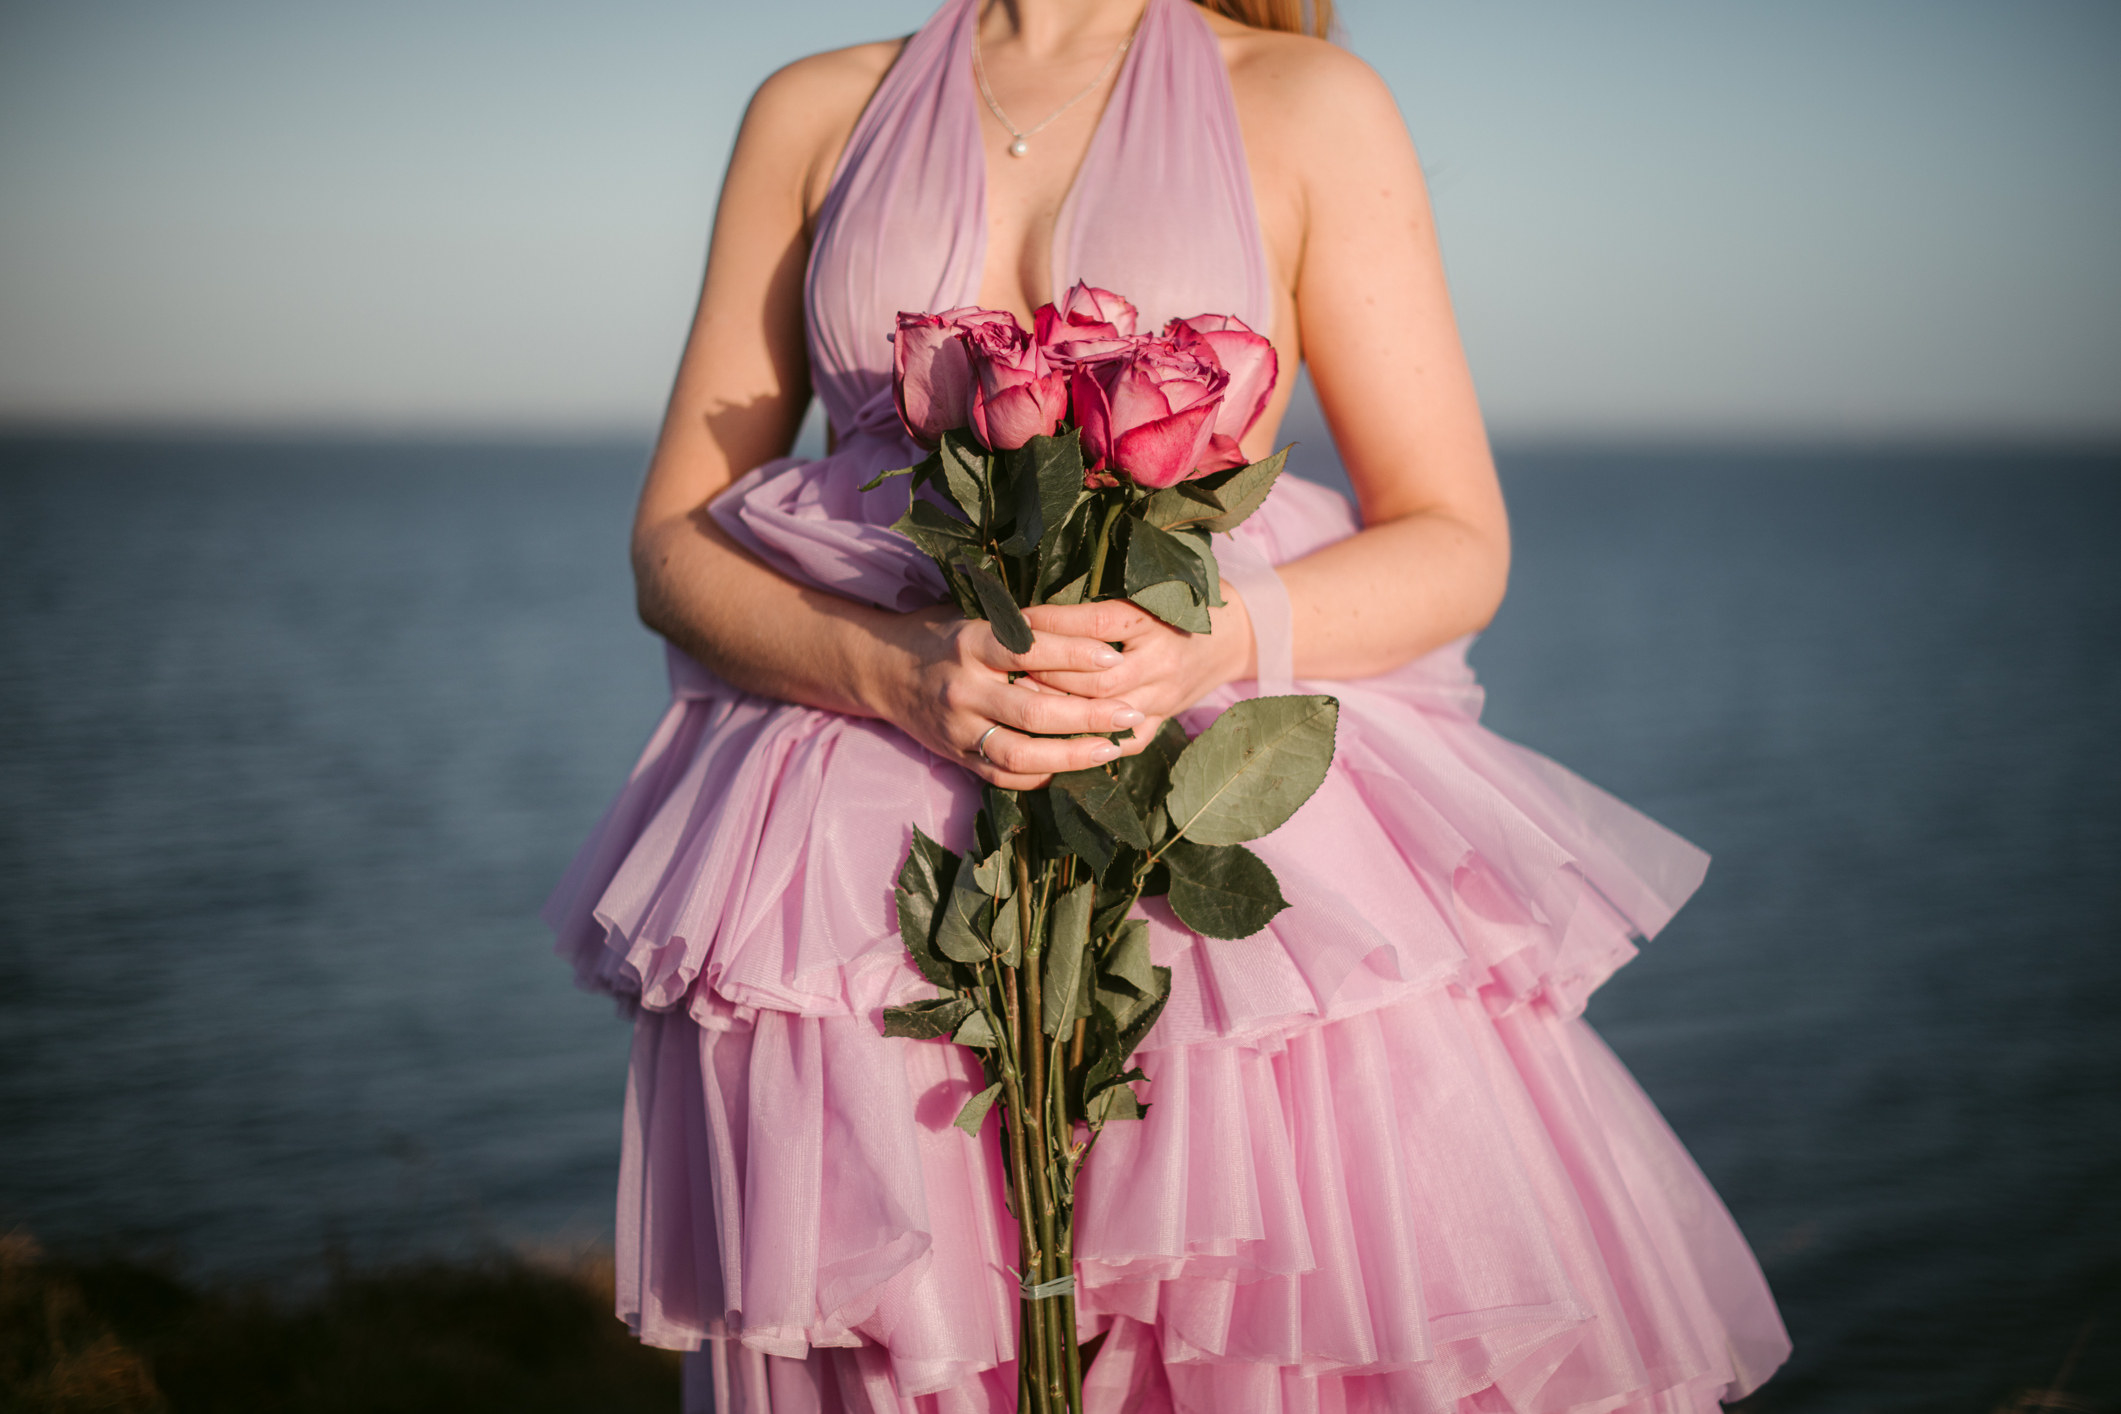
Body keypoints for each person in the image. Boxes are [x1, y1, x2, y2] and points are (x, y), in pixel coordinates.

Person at [546, 0, 1793, 1407]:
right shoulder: (813, 107)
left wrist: (1213, 646)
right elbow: (672, 544)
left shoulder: (1312, 102)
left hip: (1207, 854)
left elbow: (1456, 538)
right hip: (856, 877)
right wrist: (893, 671)